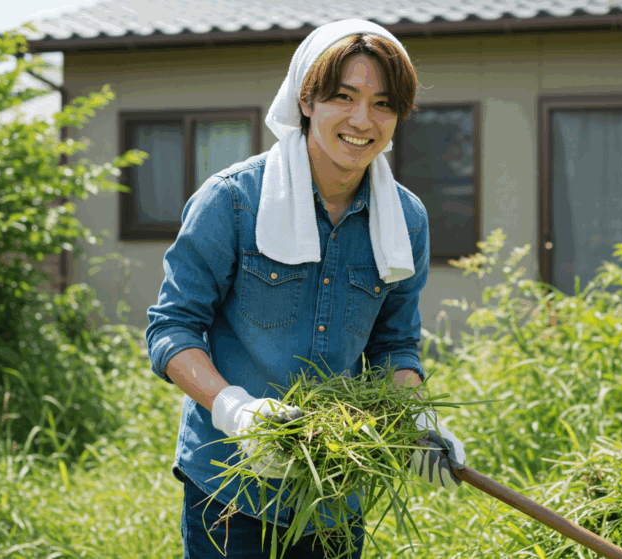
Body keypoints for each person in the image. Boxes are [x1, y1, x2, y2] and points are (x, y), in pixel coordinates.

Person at [145, 19, 468, 559]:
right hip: (230, 486)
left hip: (335, 490)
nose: (363, 120)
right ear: (306, 100)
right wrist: (235, 409)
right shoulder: (232, 201)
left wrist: (416, 421)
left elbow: (393, 345)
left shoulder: (404, 220)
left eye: (383, 104)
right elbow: (172, 327)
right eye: (344, 96)